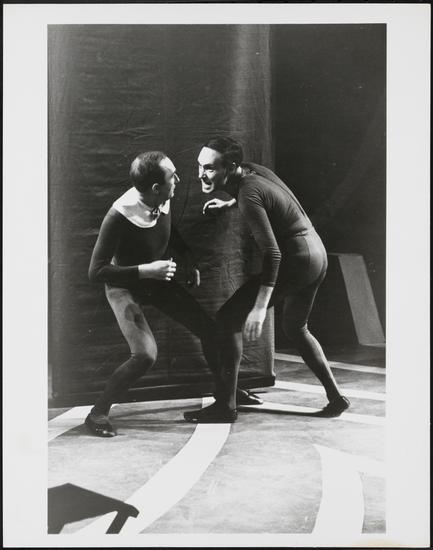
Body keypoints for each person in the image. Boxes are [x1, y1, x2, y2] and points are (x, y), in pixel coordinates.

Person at [86, 151, 261, 437]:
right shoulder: (119, 215)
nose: (179, 180)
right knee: (145, 355)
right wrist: (146, 271)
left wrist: (189, 261)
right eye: (173, 176)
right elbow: (96, 271)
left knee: (210, 330)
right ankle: (97, 413)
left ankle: (226, 392)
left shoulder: (162, 197)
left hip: (154, 279)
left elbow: (170, 230)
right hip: (124, 285)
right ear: (156, 188)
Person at [184, 137, 350, 423]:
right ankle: (336, 398)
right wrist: (228, 205)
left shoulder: (248, 194)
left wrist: (260, 308)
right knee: (296, 327)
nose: (201, 174)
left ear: (230, 167)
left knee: (227, 319)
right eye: (200, 166)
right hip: (315, 252)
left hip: (296, 259)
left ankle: (226, 405)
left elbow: (272, 254)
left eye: (209, 168)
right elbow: (270, 198)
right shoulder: (252, 170)